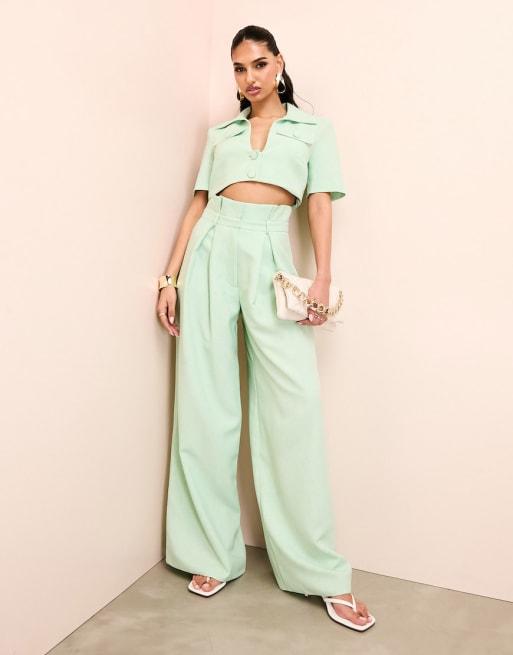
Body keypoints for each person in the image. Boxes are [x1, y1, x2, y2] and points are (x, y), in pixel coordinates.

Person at [157, 25, 375, 632]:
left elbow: (319, 202)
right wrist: (170, 278)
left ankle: (319, 572)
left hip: (273, 254)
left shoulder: (313, 130)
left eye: (258, 64)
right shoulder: (220, 134)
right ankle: (209, 553)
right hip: (211, 250)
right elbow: (199, 203)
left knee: (293, 409)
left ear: (279, 64)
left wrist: (323, 275)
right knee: (205, 404)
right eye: (238, 68)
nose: (248, 77)